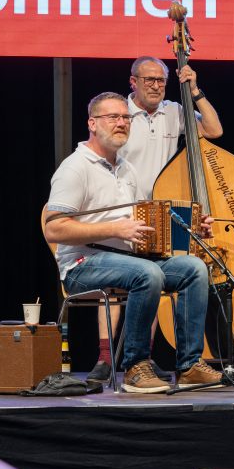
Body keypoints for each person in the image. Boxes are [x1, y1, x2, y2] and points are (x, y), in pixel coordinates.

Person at [44, 92, 223, 393]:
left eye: (125, 117)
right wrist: (115, 228)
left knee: (194, 268)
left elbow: (146, 222)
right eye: (113, 117)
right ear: (92, 123)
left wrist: (193, 229)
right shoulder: (75, 167)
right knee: (147, 273)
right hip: (82, 265)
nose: (122, 123)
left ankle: (189, 365)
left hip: (130, 260)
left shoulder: (127, 168)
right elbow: (54, 229)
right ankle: (136, 366)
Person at [87, 56, 224, 383]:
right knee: (114, 288)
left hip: (157, 210)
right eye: (148, 79)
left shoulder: (174, 111)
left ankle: (142, 359)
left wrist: (194, 90)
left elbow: (214, 130)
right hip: (120, 205)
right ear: (133, 82)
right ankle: (105, 358)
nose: (155, 85)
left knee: (152, 279)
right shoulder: (120, 114)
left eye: (160, 80)